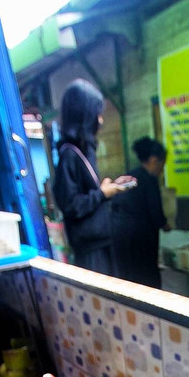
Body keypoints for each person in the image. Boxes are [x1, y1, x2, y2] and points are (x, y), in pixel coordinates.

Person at [52, 79, 135, 275]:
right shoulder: (69, 155)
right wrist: (102, 194)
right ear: (84, 116)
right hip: (89, 249)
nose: (100, 120)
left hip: (100, 241)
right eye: (97, 114)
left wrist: (106, 188)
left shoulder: (82, 149)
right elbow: (71, 205)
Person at [110, 136, 171, 288]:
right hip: (142, 242)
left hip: (121, 241)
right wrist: (166, 224)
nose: (161, 171)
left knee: (129, 284)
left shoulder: (129, 176)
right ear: (154, 160)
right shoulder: (149, 180)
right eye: (162, 166)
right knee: (148, 284)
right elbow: (156, 214)